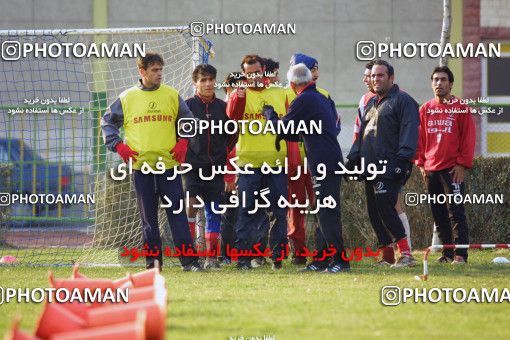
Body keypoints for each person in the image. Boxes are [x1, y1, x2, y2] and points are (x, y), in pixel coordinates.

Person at [100, 52, 202, 272]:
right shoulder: (127, 98)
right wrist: (118, 145)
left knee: (178, 216)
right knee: (148, 220)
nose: (159, 74)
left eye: (161, 70)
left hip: (169, 167)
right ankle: (153, 266)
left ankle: (190, 262)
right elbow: (107, 122)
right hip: (141, 169)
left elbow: (189, 121)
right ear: (142, 71)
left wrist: (184, 141)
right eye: (154, 70)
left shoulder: (172, 95)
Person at [264, 63, 349, 273]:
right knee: (322, 213)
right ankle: (322, 260)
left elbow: (283, 127)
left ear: (292, 84)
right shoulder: (319, 98)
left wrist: (270, 116)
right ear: (310, 79)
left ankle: (340, 261)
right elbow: (300, 131)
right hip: (328, 161)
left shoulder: (303, 100)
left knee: (327, 214)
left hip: (324, 164)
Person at [346, 59, 419, 268]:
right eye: (373, 76)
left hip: (390, 166)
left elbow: (409, 131)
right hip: (369, 167)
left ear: (391, 78)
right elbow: (362, 136)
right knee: (374, 213)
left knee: (386, 209)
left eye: (380, 75)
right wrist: (352, 160)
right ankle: (387, 256)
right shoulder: (371, 103)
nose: (375, 79)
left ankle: (406, 255)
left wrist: (403, 161)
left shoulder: (404, 101)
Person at [227, 54, 289, 270]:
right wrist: (238, 97)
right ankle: (243, 259)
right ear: (244, 74)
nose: (253, 76)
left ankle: (277, 259)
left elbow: (291, 127)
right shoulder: (239, 94)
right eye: (248, 73)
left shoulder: (281, 94)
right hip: (247, 165)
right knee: (245, 211)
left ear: (264, 70)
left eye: (256, 71)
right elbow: (231, 118)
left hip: (276, 165)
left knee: (278, 212)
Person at [415, 66, 475, 264]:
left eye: (442, 80)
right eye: (435, 80)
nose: (438, 83)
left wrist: (461, 165)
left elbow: (468, 138)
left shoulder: (460, 107)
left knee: (456, 212)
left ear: (450, 84)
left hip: (452, 170)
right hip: (431, 169)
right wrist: (421, 164)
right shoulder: (425, 109)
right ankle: (447, 254)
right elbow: (420, 140)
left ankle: (460, 255)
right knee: (438, 213)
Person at [284, 53, 337, 265]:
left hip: (319, 159)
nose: (316, 72)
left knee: (324, 210)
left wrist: (272, 118)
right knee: (300, 208)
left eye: (316, 68)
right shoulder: (289, 94)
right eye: (313, 68)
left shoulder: (315, 96)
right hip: (301, 160)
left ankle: (330, 257)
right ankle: (304, 254)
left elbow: (332, 126)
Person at [184, 64, 235, 269]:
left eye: (210, 80)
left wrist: (222, 158)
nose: (207, 84)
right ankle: (188, 257)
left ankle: (211, 259)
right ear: (195, 83)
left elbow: (232, 138)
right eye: (203, 80)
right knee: (190, 205)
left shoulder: (224, 108)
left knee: (214, 211)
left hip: (216, 169)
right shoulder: (186, 107)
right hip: (192, 168)